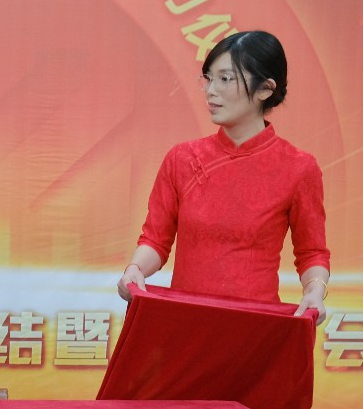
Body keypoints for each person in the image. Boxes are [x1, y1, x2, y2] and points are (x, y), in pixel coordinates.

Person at [117, 30, 330, 322]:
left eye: (226, 79)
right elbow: (155, 240)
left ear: (265, 89)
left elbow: (312, 253)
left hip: (254, 327)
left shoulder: (298, 167)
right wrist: (135, 270)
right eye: (208, 78)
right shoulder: (182, 159)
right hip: (186, 323)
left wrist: (315, 291)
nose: (210, 90)